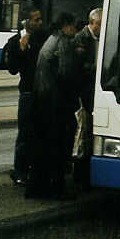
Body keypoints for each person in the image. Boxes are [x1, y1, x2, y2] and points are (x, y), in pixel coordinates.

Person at [28, 11, 79, 199]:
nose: (75, 29)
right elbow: (67, 75)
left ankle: (36, 188)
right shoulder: (63, 43)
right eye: (74, 25)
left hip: (42, 100)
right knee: (57, 148)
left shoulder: (51, 39)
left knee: (41, 148)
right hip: (55, 103)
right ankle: (56, 190)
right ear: (65, 25)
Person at [3, 6, 48, 186]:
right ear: (26, 22)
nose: (39, 22)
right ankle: (20, 171)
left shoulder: (43, 37)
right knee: (25, 134)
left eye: (39, 19)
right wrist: (21, 49)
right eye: (36, 19)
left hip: (43, 91)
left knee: (40, 133)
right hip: (28, 92)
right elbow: (12, 68)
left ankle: (35, 169)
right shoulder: (15, 41)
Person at [72, 8, 102, 189]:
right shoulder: (82, 38)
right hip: (84, 92)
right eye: (101, 23)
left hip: (92, 92)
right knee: (83, 132)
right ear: (93, 23)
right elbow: (79, 67)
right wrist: (97, 68)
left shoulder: (96, 38)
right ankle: (80, 174)